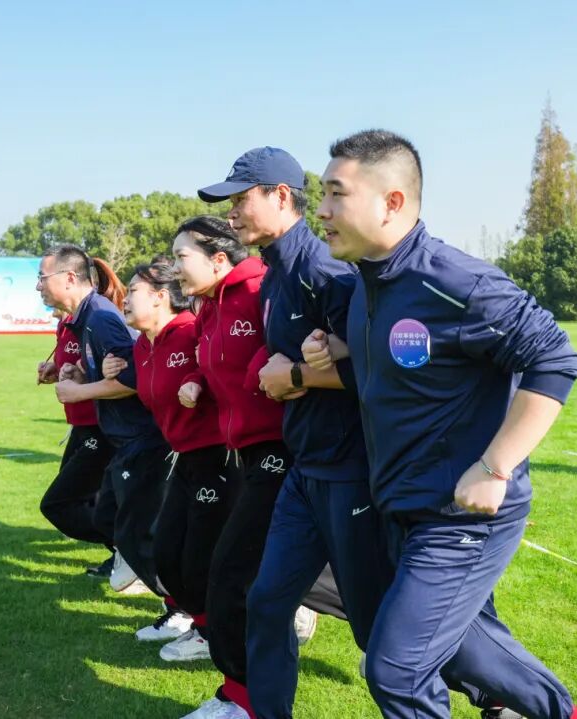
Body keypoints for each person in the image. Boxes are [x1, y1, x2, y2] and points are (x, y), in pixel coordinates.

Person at [306, 129, 577, 719]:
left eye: (335, 194)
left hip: (460, 517)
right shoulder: (365, 288)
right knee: (467, 653)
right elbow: (398, 374)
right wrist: (332, 351)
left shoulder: (455, 283)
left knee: (397, 671)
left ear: (392, 202)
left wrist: (495, 467)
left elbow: (554, 358)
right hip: (400, 506)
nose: (321, 210)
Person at [195, 146, 392, 719]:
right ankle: (257, 707)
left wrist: (296, 375)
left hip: (348, 471)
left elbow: (380, 371)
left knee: (384, 628)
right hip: (306, 468)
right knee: (264, 598)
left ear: (281, 196)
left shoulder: (324, 270)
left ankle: (510, 699)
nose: (232, 212)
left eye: (241, 198)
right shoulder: (278, 275)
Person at [172, 215, 330, 719]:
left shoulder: (263, 289)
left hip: (281, 451)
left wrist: (274, 364)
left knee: (232, 578)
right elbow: (213, 359)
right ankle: (244, 694)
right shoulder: (210, 306)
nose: (175, 268)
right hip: (245, 454)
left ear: (218, 259)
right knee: (252, 578)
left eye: (181, 257)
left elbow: (301, 343)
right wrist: (197, 381)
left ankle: (245, 699)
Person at [101, 261, 225, 657]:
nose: (125, 298)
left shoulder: (191, 330)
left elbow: (223, 367)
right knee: (167, 551)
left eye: (134, 289)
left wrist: (197, 381)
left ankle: (210, 633)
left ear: (159, 297)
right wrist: (106, 367)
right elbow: (138, 382)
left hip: (220, 456)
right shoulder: (142, 345)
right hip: (181, 457)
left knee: (202, 553)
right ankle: (192, 621)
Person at [40, 245, 170, 595]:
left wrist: (78, 392)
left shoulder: (99, 317)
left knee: (128, 527)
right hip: (123, 438)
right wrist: (82, 373)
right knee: (108, 517)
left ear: (69, 278)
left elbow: (132, 379)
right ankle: (139, 563)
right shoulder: (87, 317)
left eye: (42, 277)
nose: (38, 286)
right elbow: (116, 370)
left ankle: (178, 601)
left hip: (140, 439)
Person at [38, 308, 116, 577]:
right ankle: (126, 551)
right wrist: (57, 370)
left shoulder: (95, 317)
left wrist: (81, 386)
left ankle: (133, 548)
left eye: (43, 283)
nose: (39, 288)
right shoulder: (68, 323)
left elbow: (121, 375)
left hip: (99, 426)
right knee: (82, 500)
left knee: (59, 504)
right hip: (82, 425)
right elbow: (81, 367)